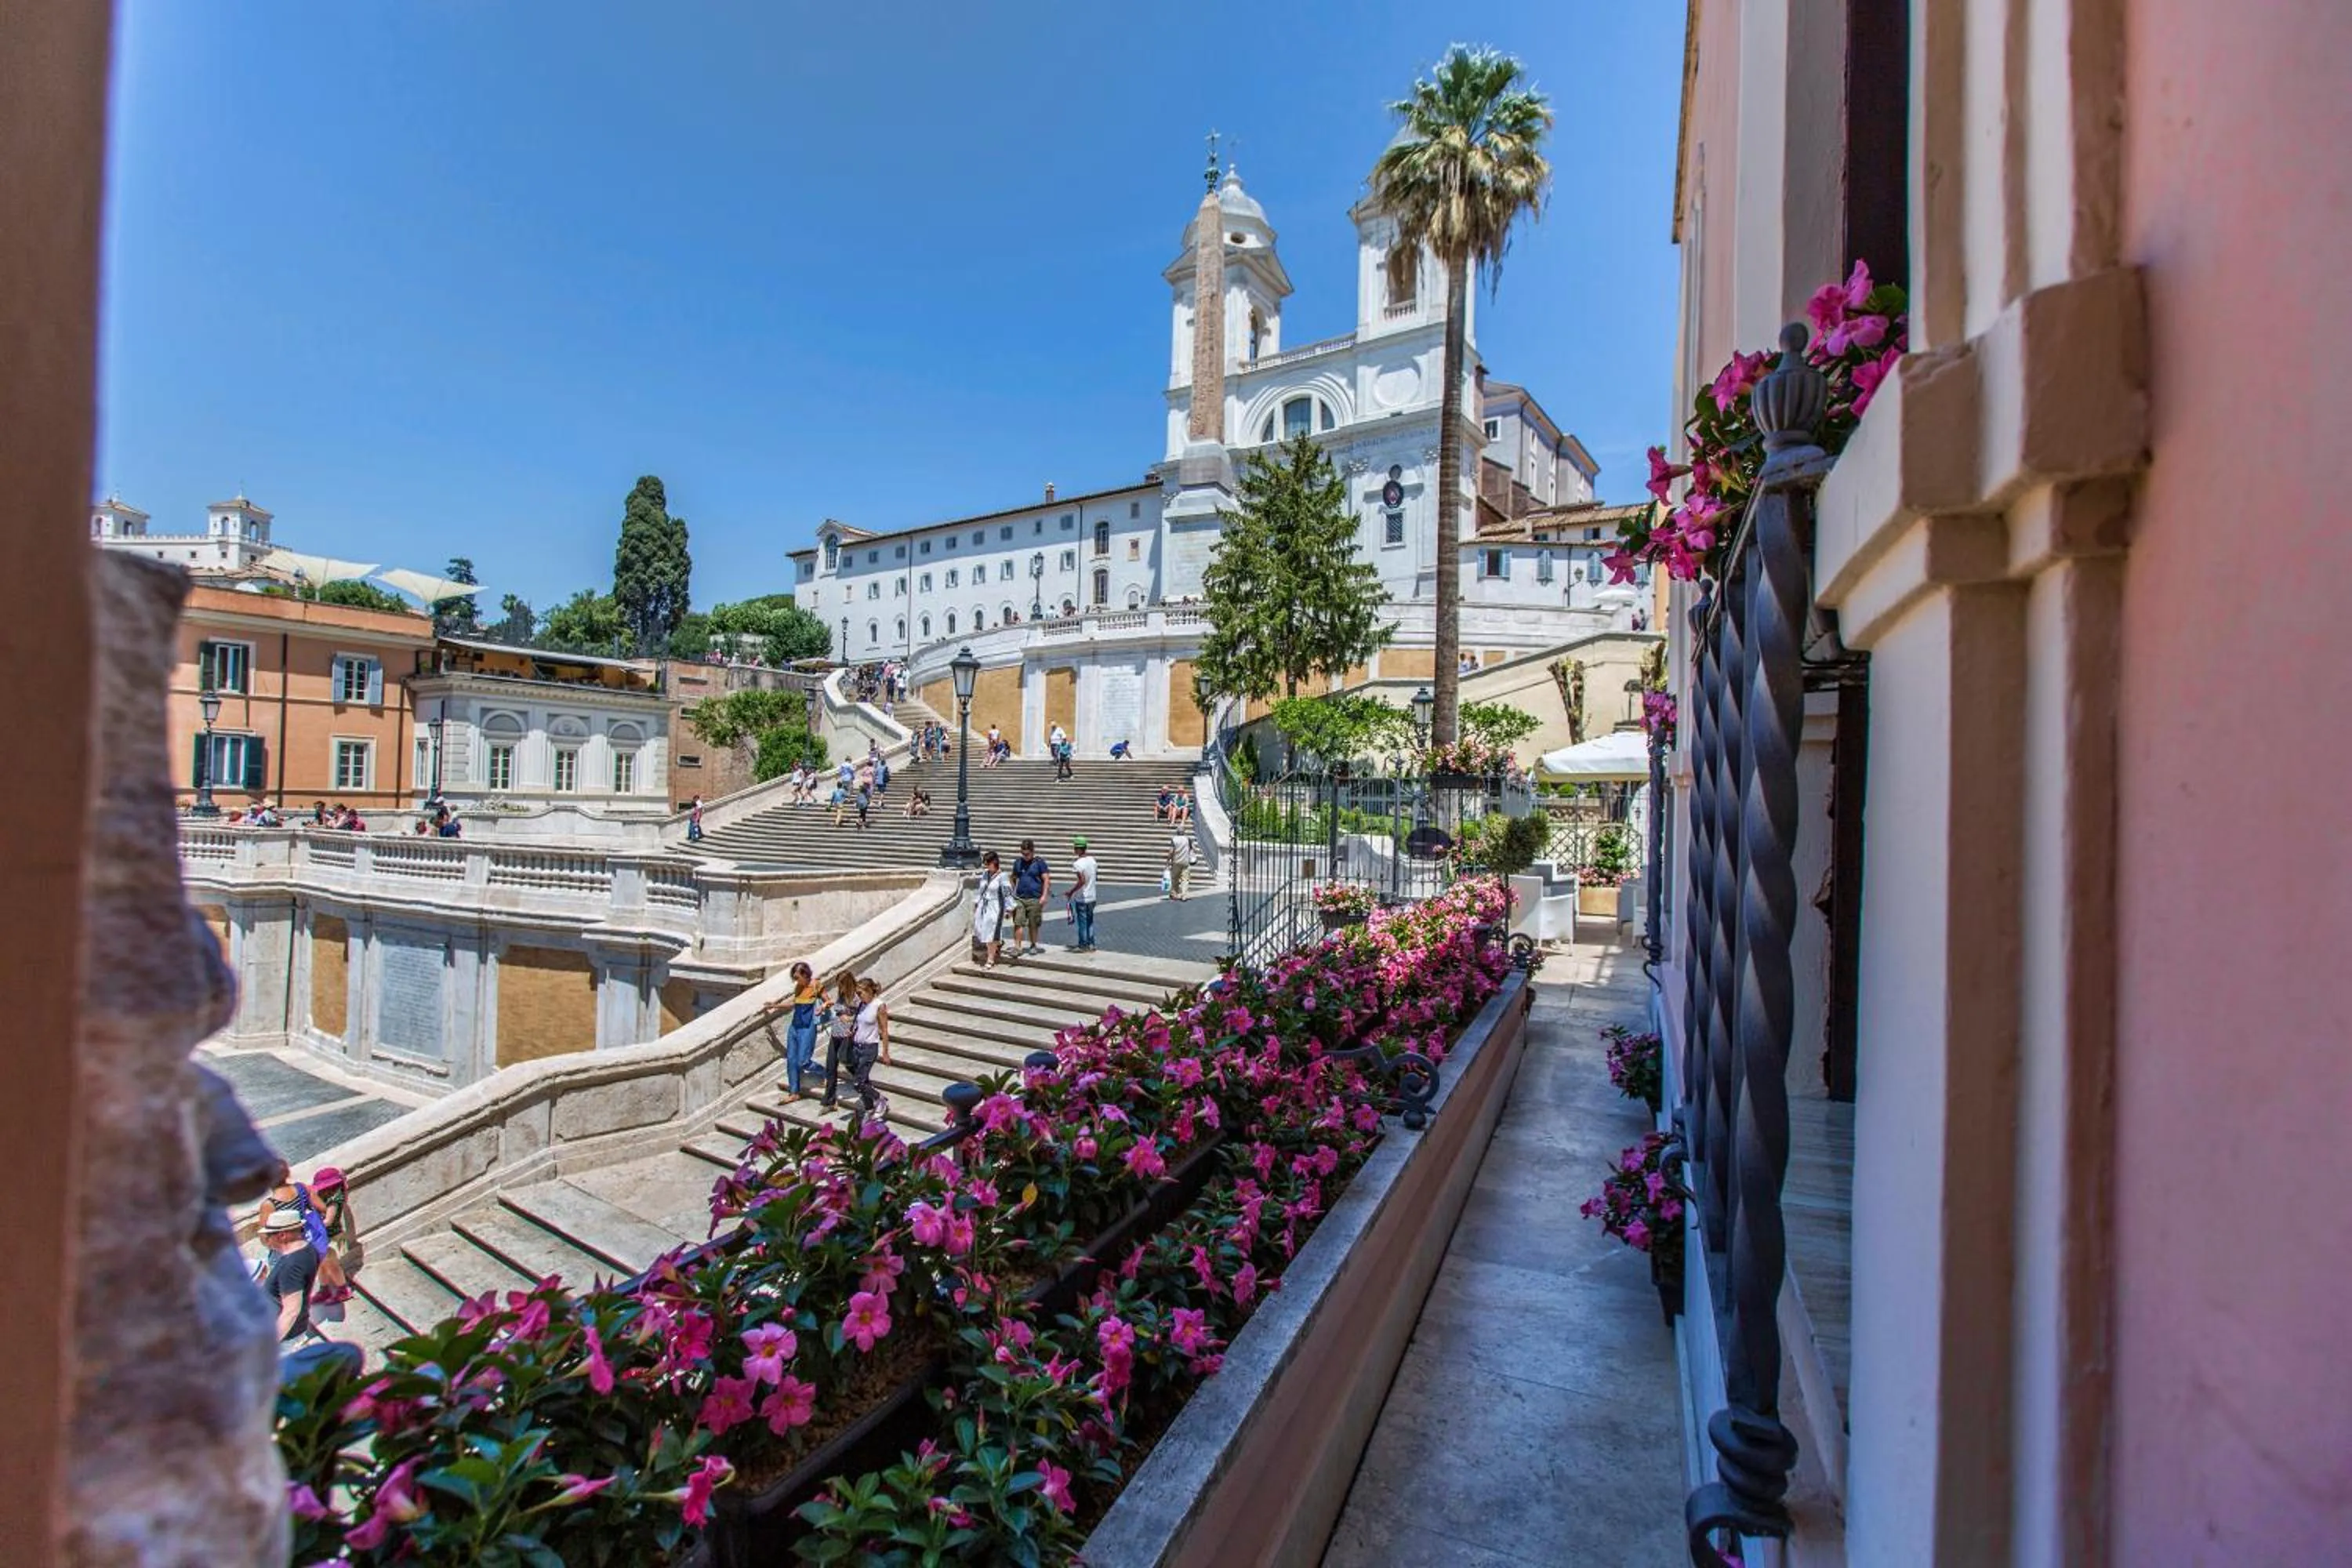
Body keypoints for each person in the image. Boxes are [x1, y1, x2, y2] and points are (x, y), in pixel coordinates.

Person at [257, 1207, 326, 1346]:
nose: (267, 1240)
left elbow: (291, 1311)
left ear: (282, 1236)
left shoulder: (291, 1265)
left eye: (269, 1235)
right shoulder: (307, 1248)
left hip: (286, 1339)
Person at [847, 976, 891, 1130]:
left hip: (869, 1048)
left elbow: (884, 1030)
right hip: (857, 1046)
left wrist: (885, 1052)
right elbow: (859, 1024)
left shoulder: (879, 1006)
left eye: (861, 993)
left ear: (870, 991)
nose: (859, 996)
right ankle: (869, 1108)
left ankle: (880, 1099)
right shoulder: (861, 1005)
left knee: (858, 1083)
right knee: (863, 1081)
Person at [310, 1166, 359, 1305]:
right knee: (322, 1265)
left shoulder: (334, 1200)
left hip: (332, 1237)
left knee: (332, 1266)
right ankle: (324, 1290)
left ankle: (343, 1290)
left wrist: (311, 1226)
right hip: (322, 1238)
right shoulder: (324, 1196)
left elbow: (328, 1221)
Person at [775, 961, 822, 1101]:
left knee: (803, 1061)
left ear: (805, 975)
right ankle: (794, 1092)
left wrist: (823, 1007)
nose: (796, 980)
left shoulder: (816, 985)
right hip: (795, 1026)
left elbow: (828, 1001)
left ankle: (826, 1073)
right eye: (794, 978)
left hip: (807, 1027)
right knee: (791, 1060)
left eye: (797, 977)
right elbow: (794, 1003)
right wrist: (775, 1005)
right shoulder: (798, 987)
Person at [818, 968, 859, 1109]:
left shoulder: (857, 997)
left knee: (849, 1063)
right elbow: (838, 1009)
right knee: (831, 1066)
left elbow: (862, 1016)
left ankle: (865, 1084)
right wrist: (826, 1007)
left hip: (848, 1035)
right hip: (836, 1033)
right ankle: (829, 1100)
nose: (839, 988)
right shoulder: (842, 995)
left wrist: (849, 1019)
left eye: (841, 985)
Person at [1011, 838, 1051, 956]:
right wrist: (1012, 893)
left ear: (1032, 852)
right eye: (1023, 854)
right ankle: (1017, 947)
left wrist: (1044, 896)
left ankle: (1033, 944)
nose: (1025, 856)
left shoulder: (1039, 863)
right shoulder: (1018, 862)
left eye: (1027, 854)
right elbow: (1013, 877)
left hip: (1035, 898)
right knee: (1018, 922)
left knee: (1033, 923)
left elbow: (1046, 879)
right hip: (1020, 898)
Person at [971, 851, 1012, 967]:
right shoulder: (985, 874)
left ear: (994, 862)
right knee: (982, 930)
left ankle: (990, 959)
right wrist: (977, 902)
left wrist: (1009, 909)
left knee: (992, 932)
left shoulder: (1002, 876)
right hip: (984, 906)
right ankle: (998, 944)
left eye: (988, 864)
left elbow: (1007, 893)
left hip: (996, 907)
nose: (986, 866)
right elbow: (981, 889)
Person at [1068, 835, 1099, 953]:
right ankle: (1091, 944)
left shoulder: (1078, 864)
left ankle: (1083, 945)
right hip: (1092, 896)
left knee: (1082, 923)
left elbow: (1082, 881)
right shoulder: (1092, 860)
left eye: (1075, 848)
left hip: (1083, 898)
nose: (1074, 850)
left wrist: (1071, 891)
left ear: (1078, 849)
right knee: (1090, 921)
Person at [1167, 826, 1196, 902]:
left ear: (1177, 832)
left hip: (1176, 861)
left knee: (1174, 878)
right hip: (1185, 861)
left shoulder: (1174, 839)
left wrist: (1168, 860)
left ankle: (1174, 894)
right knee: (1185, 879)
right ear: (1184, 832)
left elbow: (1171, 851)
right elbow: (1193, 848)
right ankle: (1184, 895)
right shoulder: (1188, 839)